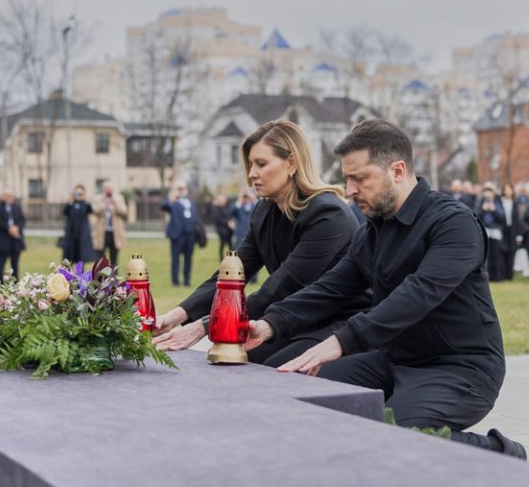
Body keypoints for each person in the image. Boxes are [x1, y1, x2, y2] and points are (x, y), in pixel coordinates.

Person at [244, 119, 526, 459]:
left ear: (397, 170)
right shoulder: (372, 232)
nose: (349, 190)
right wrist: (271, 323)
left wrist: (341, 341)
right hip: (392, 359)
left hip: (458, 368)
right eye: (347, 178)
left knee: (394, 437)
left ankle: (501, 453)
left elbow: (418, 294)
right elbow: (331, 288)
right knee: (302, 397)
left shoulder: (454, 223)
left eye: (359, 178)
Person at [153, 120, 369, 366]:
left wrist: (204, 326)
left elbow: (282, 286)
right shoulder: (265, 211)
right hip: (292, 317)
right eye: (250, 165)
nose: (251, 174)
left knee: (263, 369)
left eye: (261, 164)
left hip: (339, 322)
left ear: (291, 163)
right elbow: (230, 275)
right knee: (237, 363)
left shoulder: (329, 214)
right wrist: (177, 315)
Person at [162, 182, 198, 287]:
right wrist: (172, 197)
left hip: (190, 234)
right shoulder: (173, 202)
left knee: (188, 258)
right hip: (177, 235)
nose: (182, 190)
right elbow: (163, 206)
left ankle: (187, 280)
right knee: (175, 259)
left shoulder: (190, 201)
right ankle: (175, 281)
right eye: (179, 188)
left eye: (183, 188)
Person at [0, 190, 26, 285]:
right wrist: (9, 229)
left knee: (15, 266)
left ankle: (15, 286)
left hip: (15, 242)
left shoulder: (17, 207)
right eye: (7, 196)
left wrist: (17, 228)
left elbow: (22, 219)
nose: (10, 198)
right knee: (1, 266)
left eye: (11, 196)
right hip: (3, 242)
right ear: (3, 196)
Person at [91, 182, 128, 267]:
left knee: (114, 258)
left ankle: (114, 277)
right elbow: (95, 211)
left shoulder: (119, 198)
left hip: (114, 233)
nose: (108, 191)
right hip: (102, 233)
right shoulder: (98, 198)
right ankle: (99, 277)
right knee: (100, 259)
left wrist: (115, 203)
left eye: (110, 189)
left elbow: (124, 211)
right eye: (106, 189)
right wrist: (104, 203)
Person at [61, 184, 96, 264]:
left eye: (80, 193)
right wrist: (70, 201)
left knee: (81, 258)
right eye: (77, 193)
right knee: (69, 257)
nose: (78, 195)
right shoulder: (71, 204)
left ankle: (80, 274)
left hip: (82, 236)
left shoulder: (85, 204)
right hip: (71, 235)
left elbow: (90, 210)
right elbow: (65, 212)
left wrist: (85, 199)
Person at [476, 186, 505, 281]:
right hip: (484, 232)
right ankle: (488, 277)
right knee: (486, 257)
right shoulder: (480, 203)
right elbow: (476, 217)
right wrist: (484, 210)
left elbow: (502, 218)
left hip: (496, 232)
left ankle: (498, 276)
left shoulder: (498, 203)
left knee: (497, 255)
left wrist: (494, 210)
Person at [499, 182, 520, 281]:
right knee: (503, 251)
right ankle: (503, 275)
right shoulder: (500, 201)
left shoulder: (514, 202)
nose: (507, 191)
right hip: (503, 230)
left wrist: (519, 235)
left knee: (512, 252)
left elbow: (517, 219)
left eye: (509, 189)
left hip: (512, 229)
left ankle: (510, 275)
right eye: (506, 189)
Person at [212, 194, 234, 261]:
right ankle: (221, 258)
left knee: (230, 244)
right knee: (222, 244)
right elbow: (218, 219)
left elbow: (231, 215)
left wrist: (231, 222)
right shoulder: (217, 208)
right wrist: (228, 222)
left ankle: (232, 258)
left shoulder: (229, 207)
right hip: (222, 230)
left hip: (229, 230)